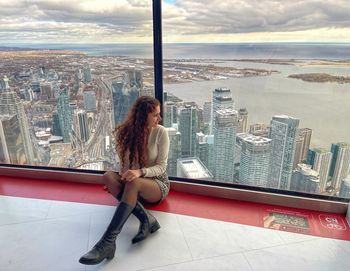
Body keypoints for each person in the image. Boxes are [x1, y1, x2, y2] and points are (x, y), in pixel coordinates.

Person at [79, 96, 170, 265]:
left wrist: (139, 172)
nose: (159, 118)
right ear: (143, 116)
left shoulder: (161, 132)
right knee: (108, 177)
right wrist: (122, 177)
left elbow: (161, 167)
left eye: (159, 114)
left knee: (133, 182)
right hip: (133, 183)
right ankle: (147, 219)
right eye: (155, 115)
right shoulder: (127, 133)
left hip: (156, 183)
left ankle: (107, 242)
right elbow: (124, 165)